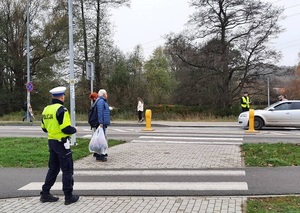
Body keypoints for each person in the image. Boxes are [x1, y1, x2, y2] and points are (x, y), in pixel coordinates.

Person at [40, 86, 79, 205]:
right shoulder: (62, 109)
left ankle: (45, 193)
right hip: (62, 143)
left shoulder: (46, 109)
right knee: (67, 169)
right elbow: (66, 128)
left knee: (53, 169)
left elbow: (44, 128)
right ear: (62, 97)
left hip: (51, 142)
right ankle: (68, 196)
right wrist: (74, 130)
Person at [94, 89, 110, 161]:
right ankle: (100, 155)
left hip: (102, 123)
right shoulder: (101, 101)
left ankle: (101, 152)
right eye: (106, 93)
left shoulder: (101, 101)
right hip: (101, 124)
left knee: (101, 138)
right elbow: (100, 112)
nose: (107, 95)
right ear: (103, 94)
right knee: (101, 139)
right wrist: (101, 122)